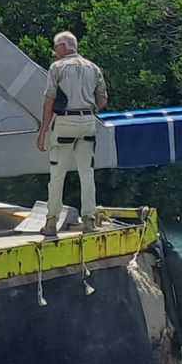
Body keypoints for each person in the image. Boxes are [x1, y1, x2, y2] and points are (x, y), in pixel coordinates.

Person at [38, 30, 108, 237]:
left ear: (63, 47)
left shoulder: (57, 68)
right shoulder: (93, 68)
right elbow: (103, 99)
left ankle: (51, 222)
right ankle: (89, 220)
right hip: (87, 121)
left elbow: (49, 100)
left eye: (55, 47)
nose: (54, 52)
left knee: (57, 173)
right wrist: (88, 108)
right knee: (86, 173)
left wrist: (43, 131)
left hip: (65, 122)